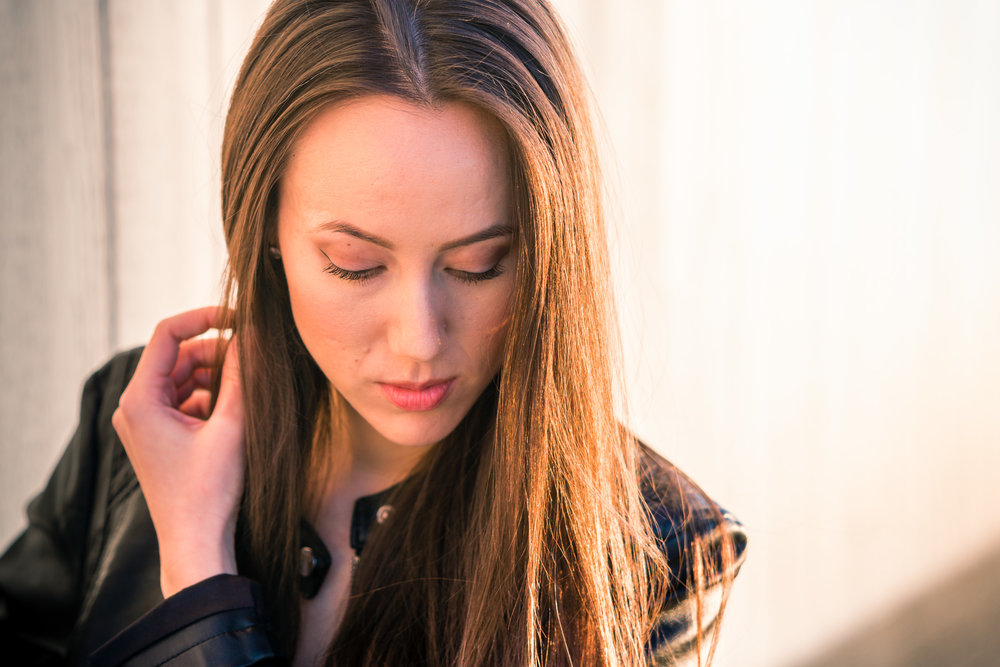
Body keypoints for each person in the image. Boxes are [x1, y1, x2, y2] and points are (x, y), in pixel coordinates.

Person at [0, 0, 747, 664]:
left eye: (481, 265)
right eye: (354, 265)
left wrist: (196, 574)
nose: (420, 339)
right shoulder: (136, 433)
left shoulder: (652, 552)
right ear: (265, 233)